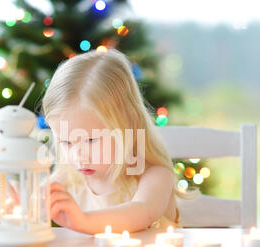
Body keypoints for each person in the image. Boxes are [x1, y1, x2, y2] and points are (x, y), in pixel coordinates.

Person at [37, 48, 201, 235]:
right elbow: (34, 201)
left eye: (90, 140)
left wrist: (83, 221)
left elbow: (142, 211)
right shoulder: (69, 177)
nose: (78, 155)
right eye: (66, 142)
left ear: (127, 126)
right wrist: (15, 199)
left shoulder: (154, 176)